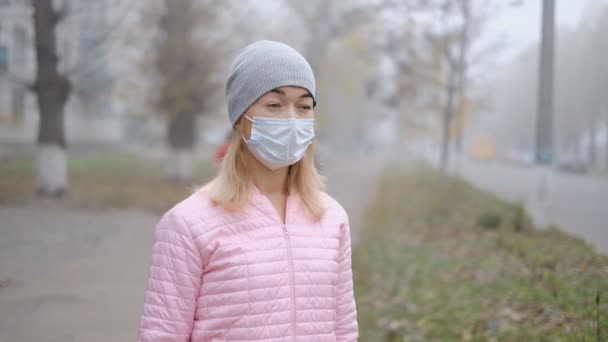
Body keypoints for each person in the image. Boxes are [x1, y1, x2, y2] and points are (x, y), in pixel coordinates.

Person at [138, 40, 358, 341]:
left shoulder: (332, 219)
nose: (292, 118)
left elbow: (344, 330)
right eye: (274, 104)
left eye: (304, 106)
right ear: (241, 119)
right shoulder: (187, 225)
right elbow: (162, 335)